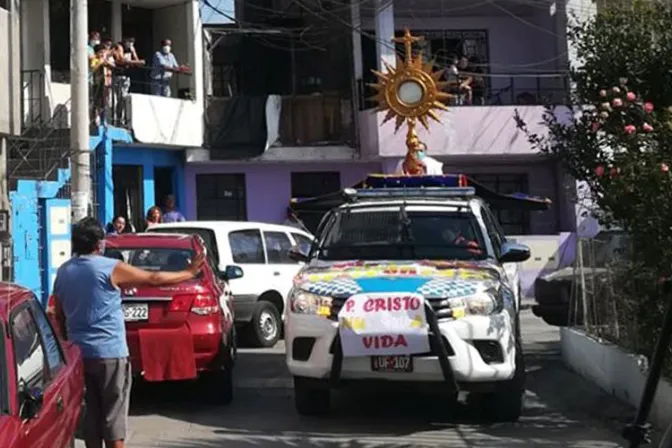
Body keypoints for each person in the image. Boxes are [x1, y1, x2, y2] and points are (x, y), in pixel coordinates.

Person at [48, 217, 204, 448]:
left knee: (91, 413)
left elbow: (58, 313)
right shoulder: (110, 268)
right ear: (98, 244)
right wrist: (189, 272)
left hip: (79, 353)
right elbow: (153, 278)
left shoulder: (64, 271)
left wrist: (68, 340)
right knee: (113, 416)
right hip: (110, 353)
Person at [111, 41, 145, 124]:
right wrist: (136, 62)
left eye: (132, 42)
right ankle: (115, 119)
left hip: (126, 77)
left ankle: (121, 119)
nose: (130, 44)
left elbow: (138, 63)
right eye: (129, 41)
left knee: (123, 98)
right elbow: (121, 60)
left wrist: (133, 52)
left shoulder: (130, 50)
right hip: (118, 76)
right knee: (116, 99)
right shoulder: (119, 47)